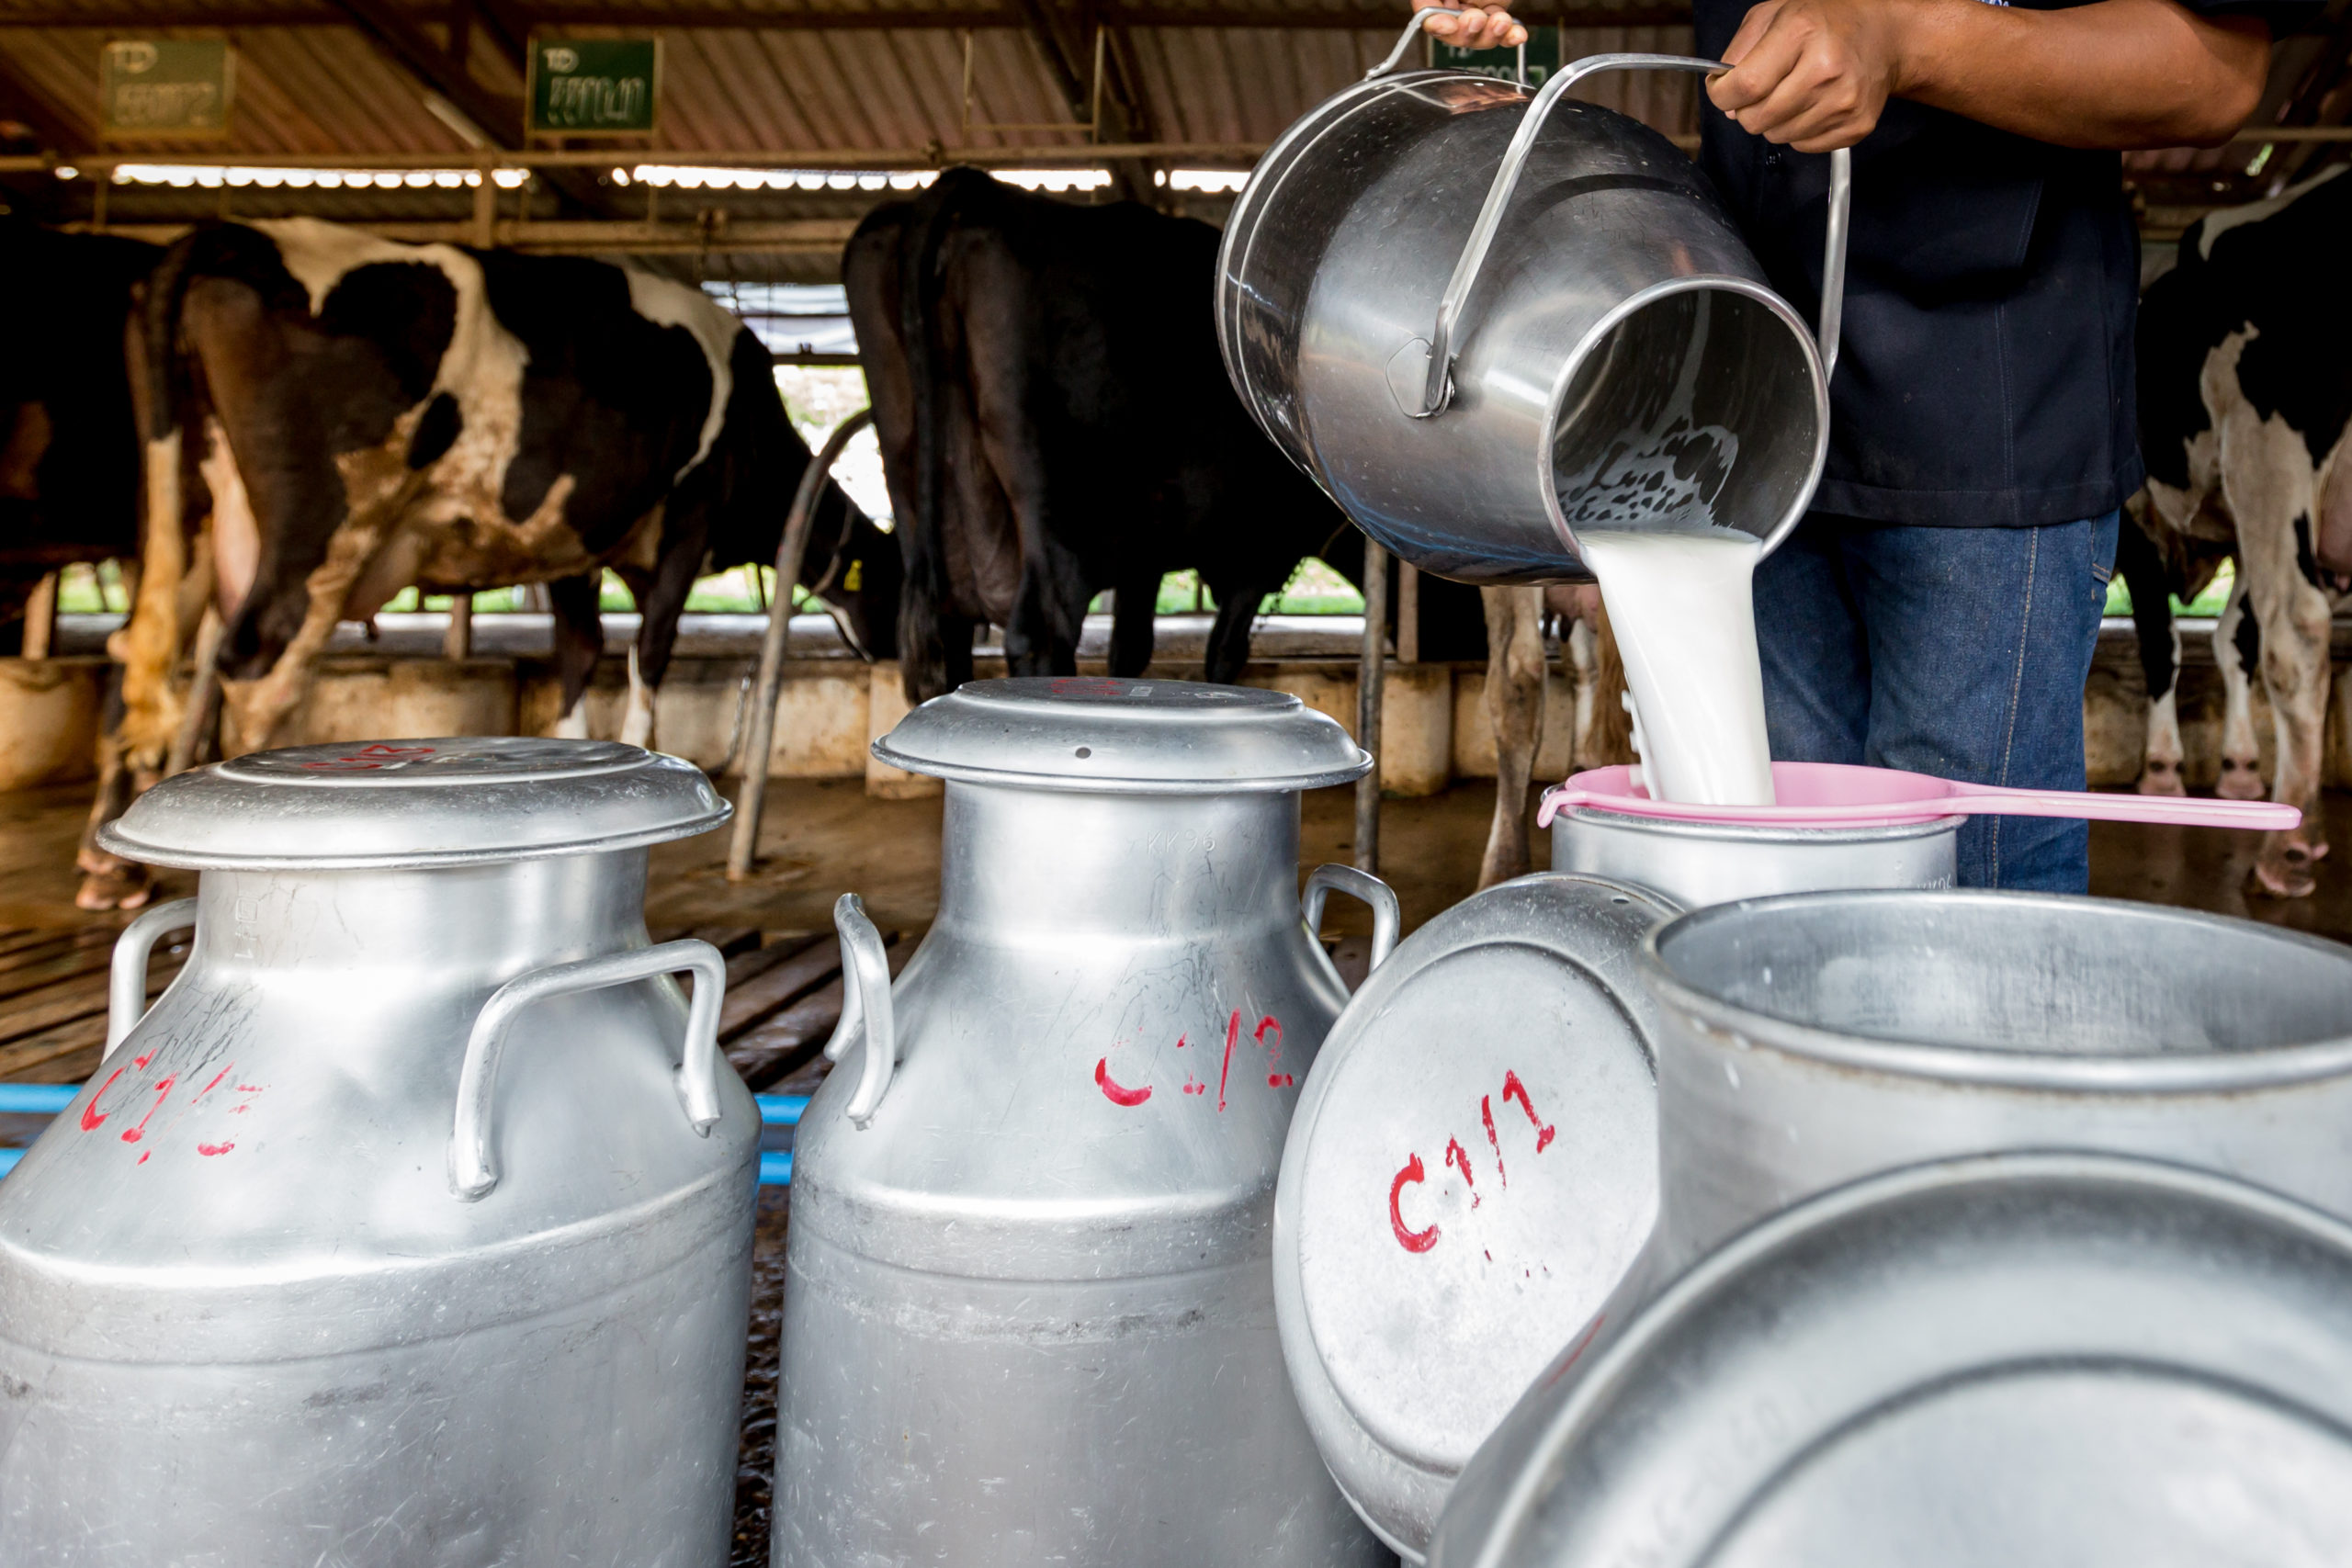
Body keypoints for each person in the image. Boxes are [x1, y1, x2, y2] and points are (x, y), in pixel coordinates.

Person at [1415, 0, 2311, 890]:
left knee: (1964, 888)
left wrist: (1905, 40)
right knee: (1771, 871)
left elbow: (2213, 73)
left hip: (1985, 408)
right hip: (1747, 405)